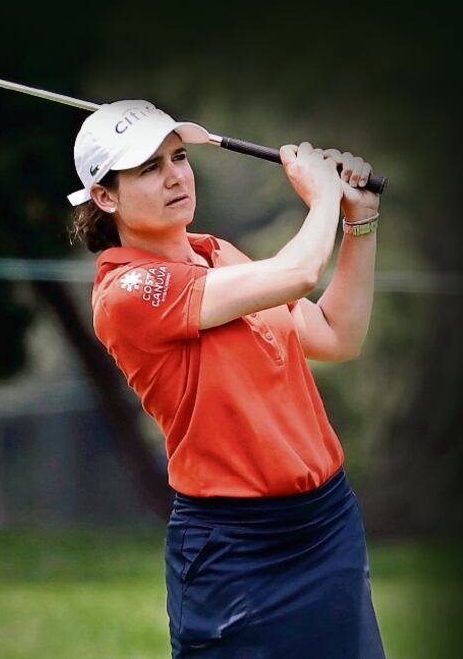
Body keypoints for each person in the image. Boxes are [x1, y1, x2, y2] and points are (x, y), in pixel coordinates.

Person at [66, 99, 385, 658]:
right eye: (148, 168)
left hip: (327, 523)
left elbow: (337, 334)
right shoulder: (126, 293)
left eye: (179, 157)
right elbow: (300, 271)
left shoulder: (220, 254)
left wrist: (359, 222)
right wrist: (324, 197)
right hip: (234, 547)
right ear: (104, 196)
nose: (175, 177)